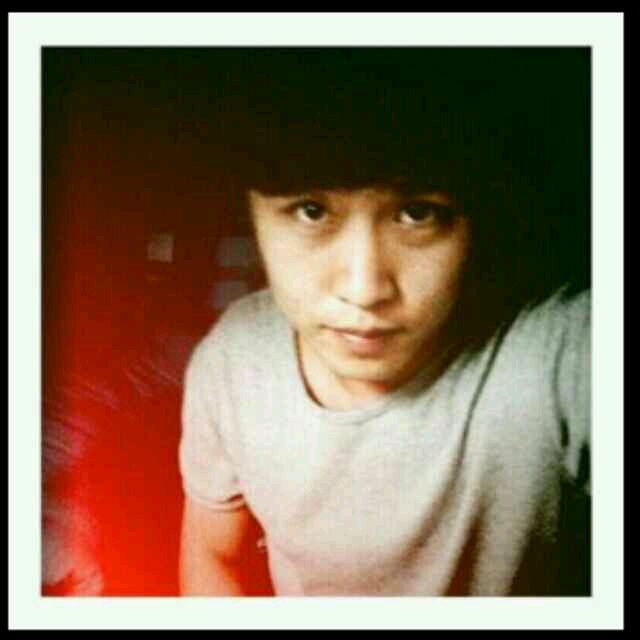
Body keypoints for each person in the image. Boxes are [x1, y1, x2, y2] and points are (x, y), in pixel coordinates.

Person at [177, 49, 591, 596]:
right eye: (312, 210)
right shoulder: (234, 358)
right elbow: (212, 555)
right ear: (251, 212)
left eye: (418, 213)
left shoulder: (563, 350)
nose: (364, 288)